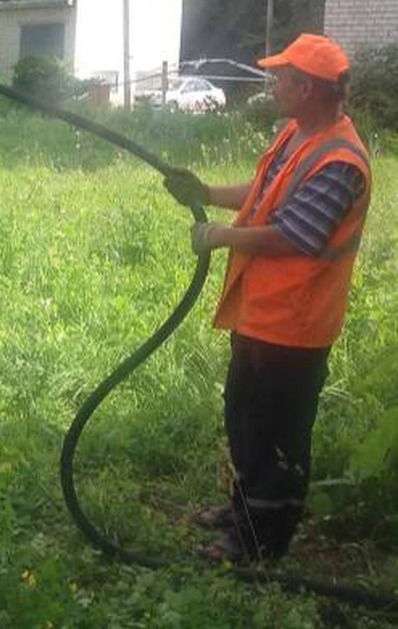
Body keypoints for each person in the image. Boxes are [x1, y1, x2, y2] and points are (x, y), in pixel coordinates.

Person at [164, 34, 371, 562]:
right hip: (262, 315)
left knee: (277, 434)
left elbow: (293, 236)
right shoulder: (295, 137)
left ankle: (261, 543)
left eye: (281, 78)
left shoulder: (340, 161)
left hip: (296, 326)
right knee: (244, 416)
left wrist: (220, 235)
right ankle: (244, 512)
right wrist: (206, 192)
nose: (273, 85)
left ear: (305, 88)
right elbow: (260, 193)